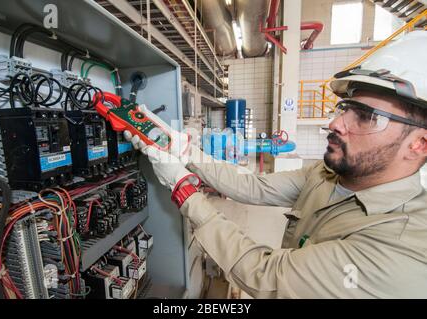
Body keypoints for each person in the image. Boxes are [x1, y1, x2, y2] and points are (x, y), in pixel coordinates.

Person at [125, 31, 427, 298]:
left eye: (366, 116)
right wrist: (185, 150)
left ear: (419, 144)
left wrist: (181, 188)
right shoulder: (330, 176)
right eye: (344, 108)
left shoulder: (402, 249)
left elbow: (267, 274)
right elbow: (252, 186)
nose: (335, 123)